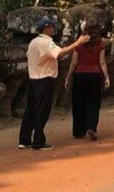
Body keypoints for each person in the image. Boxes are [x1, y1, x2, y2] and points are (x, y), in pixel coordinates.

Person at [20, 18, 90, 151]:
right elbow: (60, 53)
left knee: (30, 109)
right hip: (44, 78)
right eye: (52, 26)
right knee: (42, 110)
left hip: (33, 78)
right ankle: (38, 141)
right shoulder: (46, 42)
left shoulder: (33, 42)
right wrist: (78, 43)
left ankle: (24, 139)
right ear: (46, 28)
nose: (54, 29)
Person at [64, 22, 110, 140]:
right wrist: (106, 77)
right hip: (94, 75)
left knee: (78, 103)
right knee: (93, 103)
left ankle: (78, 131)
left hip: (80, 75)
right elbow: (102, 62)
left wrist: (68, 76)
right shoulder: (100, 44)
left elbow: (74, 62)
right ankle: (91, 126)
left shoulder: (79, 44)